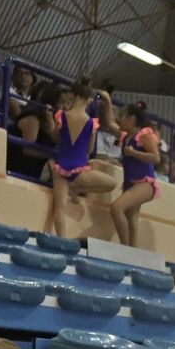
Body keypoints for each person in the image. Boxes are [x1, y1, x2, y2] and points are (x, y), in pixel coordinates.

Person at [46, 81, 118, 237]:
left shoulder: (61, 116)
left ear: (72, 95)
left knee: (59, 207)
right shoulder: (92, 123)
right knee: (111, 184)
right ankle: (77, 188)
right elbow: (89, 150)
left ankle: (61, 239)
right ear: (89, 99)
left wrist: (51, 122)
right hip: (79, 169)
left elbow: (56, 138)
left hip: (60, 166)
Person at [109, 102, 160, 248]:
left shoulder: (144, 135)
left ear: (131, 119)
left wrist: (133, 153)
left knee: (116, 208)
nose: (120, 120)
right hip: (132, 183)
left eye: (122, 117)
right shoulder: (127, 137)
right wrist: (106, 102)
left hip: (145, 182)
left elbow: (156, 158)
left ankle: (125, 248)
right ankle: (132, 251)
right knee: (131, 220)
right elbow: (110, 124)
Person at [6, 82, 59, 182]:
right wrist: (53, 154)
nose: (65, 107)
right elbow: (28, 150)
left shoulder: (54, 122)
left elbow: (55, 140)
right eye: (62, 102)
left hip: (34, 173)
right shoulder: (33, 119)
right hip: (16, 169)